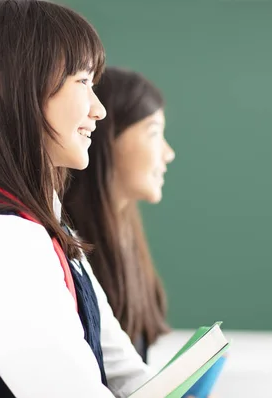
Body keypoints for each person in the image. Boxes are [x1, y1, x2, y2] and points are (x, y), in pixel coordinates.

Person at [0, 2, 152, 397]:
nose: (98, 109)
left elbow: (126, 374)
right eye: (82, 82)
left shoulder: (38, 223)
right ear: (19, 87)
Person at [64, 66, 225, 398]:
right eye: (153, 133)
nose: (168, 153)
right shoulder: (68, 249)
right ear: (108, 139)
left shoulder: (125, 238)